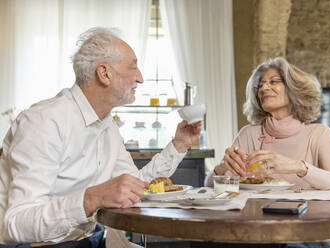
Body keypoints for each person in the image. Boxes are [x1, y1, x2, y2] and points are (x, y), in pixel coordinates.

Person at [0, 27, 201, 247]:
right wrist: (91, 198)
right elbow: (16, 224)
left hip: (90, 240)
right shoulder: (44, 122)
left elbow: (136, 186)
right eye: (133, 66)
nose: (141, 78)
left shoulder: (107, 126)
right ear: (104, 73)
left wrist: (179, 145)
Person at [205, 57, 330, 248]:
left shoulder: (319, 133)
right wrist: (222, 168)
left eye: (273, 82)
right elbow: (210, 186)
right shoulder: (249, 133)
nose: (264, 88)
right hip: (255, 228)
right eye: (260, 85)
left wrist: (299, 167)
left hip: (310, 229)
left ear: (293, 88)